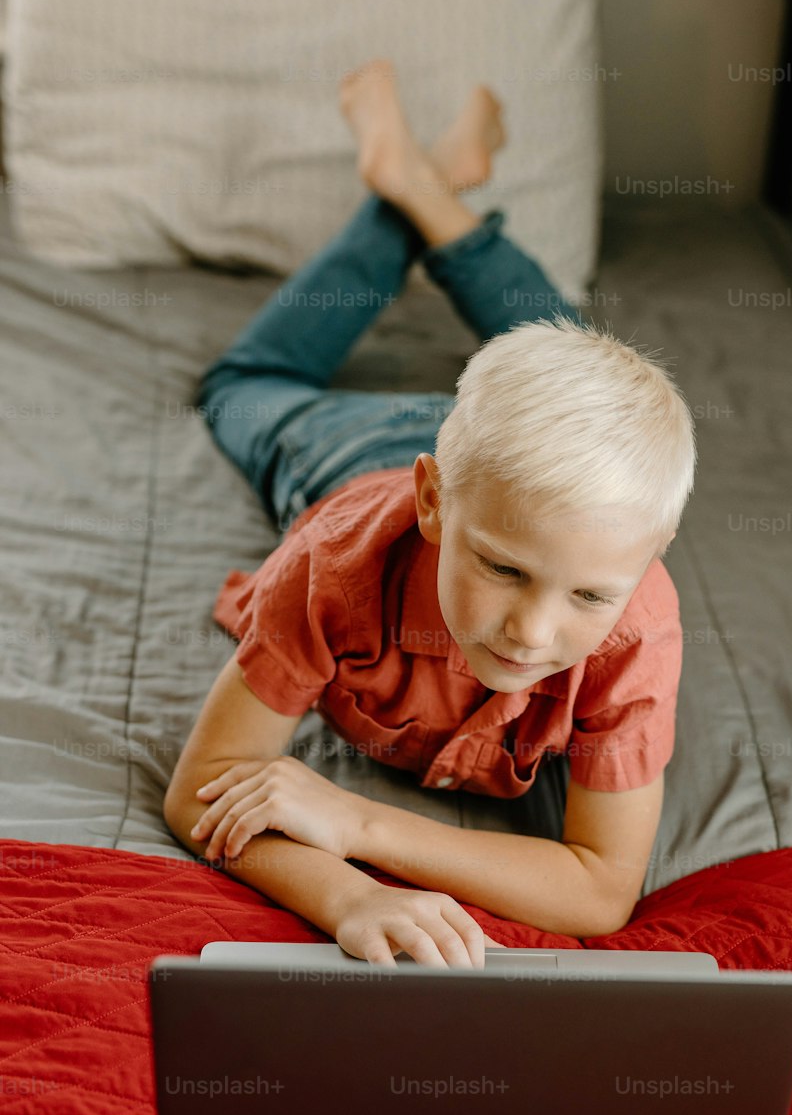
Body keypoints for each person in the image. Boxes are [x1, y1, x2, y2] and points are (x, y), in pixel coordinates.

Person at [164, 59, 696, 969]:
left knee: (571, 357)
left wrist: (358, 825)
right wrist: (347, 898)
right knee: (240, 388)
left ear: (648, 561)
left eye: (590, 596)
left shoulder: (637, 625)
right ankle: (414, 191)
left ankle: (421, 183)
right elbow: (201, 787)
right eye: (504, 570)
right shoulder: (331, 569)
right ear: (433, 503)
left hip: (502, 481)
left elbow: (604, 891)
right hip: (344, 451)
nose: (532, 632)